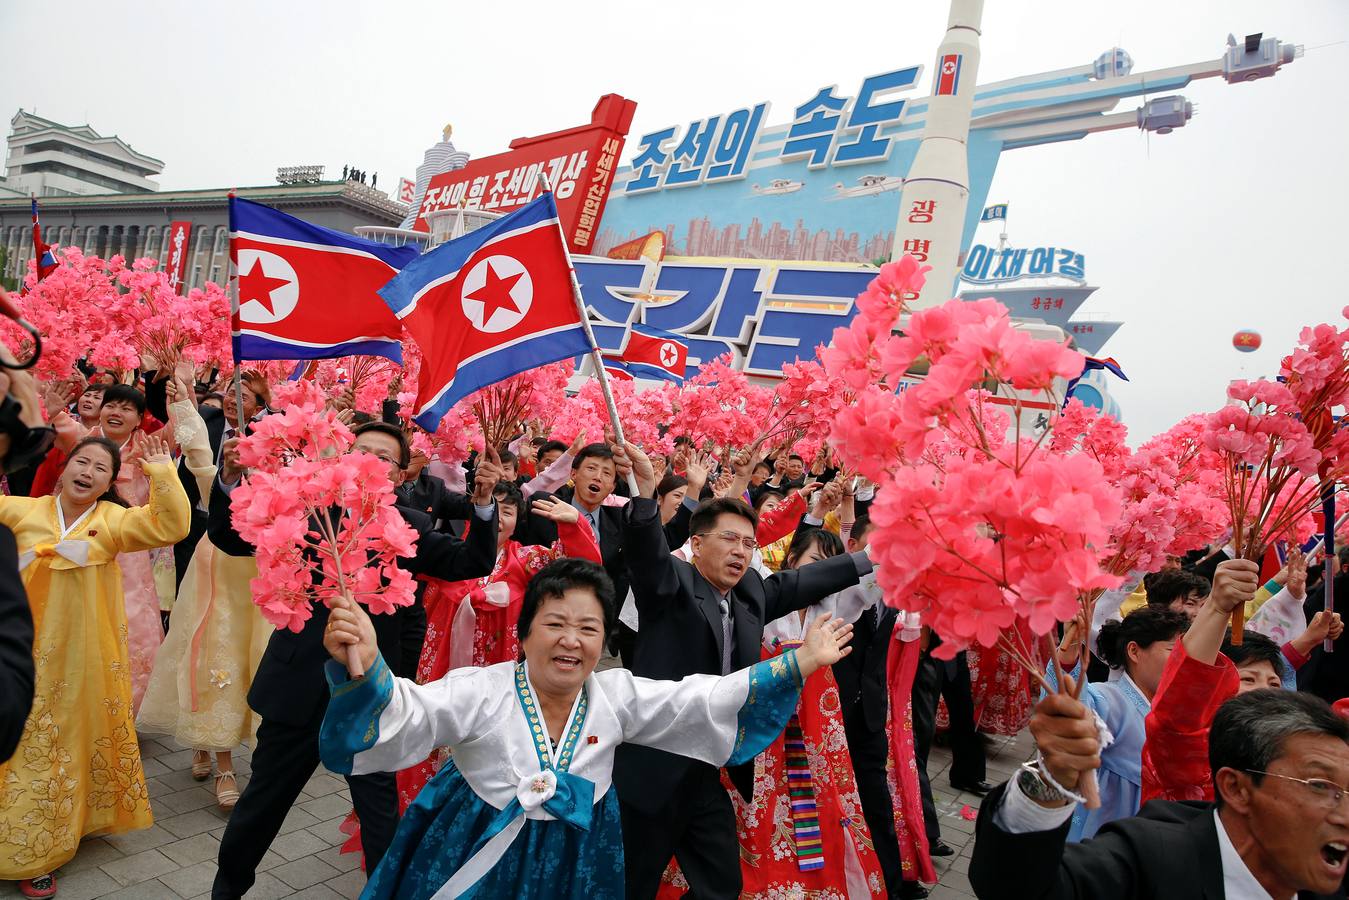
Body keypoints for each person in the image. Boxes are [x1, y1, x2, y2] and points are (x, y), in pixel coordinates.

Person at [318, 557, 856, 898]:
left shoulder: (615, 693)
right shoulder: (480, 688)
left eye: (587, 628)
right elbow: (414, 711)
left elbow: (697, 699)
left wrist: (799, 663)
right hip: (473, 841)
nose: (571, 640)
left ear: (603, 641)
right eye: (554, 624)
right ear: (524, 634)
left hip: (580, 856)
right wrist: (370, 671)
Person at [209, 422, 502, 899]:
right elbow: (228, 535)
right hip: (297, 686)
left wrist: (484, 506)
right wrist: (228, 477)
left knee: (379, 812)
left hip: (369, 694)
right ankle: (228, 888)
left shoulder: (408, 525)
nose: (368, 460)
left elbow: (469, 562)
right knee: (263, 803)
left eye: (382, 456)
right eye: (359, 449)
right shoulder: (304, 510)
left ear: (399, 472)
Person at [615, 442, 872, 900]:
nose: (740, 551)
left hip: (708, 771)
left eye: (748, 543)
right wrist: (645, 496)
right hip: (655, 767)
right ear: (696, 545)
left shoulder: (750, 590)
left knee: (722, 882)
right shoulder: (672, 585)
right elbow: (646, 557)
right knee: (634, 880)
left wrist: (873, 559)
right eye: (729, 539)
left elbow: (800, 581)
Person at [0, 434, 190, 898]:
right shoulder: (22, 511)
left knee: (60, 745)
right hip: (18, 655)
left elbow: (172, 526)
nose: (87, 472)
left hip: (82, 663)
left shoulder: (114, 521)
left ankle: (43, 848)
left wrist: (163, 472)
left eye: (100, 468)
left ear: (109, 481)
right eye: (80, 462)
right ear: (63, 468)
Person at [656, 526, 888, 898]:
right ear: (792, 561)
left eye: (830, 564)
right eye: (815, 561)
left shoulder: (835, 606)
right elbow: (736, 549)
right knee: (756, 805)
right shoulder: (759, 598)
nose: (823, 572)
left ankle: (813, 883)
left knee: (819, 803)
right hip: (763, 724)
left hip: (814, 726)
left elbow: (870, 574)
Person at [968, 687, 1349, 900]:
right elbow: (1018, 892)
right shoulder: (1150, 860)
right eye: (1322, 786)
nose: (1344, 814)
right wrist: (1053, 778)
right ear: (1236, 788)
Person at [136, 368, 263, 809]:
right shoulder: (220, 458)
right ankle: (220, 758)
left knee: (251, 661)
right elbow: (197, 454)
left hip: (262, 579)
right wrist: (180, 401)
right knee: (211, 655)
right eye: (232, 391)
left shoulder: (285, 469)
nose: (237, 399)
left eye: (247, 394)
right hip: (215, 573)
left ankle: (217, 741)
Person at [833, 514, 935, 898]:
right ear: (855, 547)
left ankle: (892, 884)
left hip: (872, 714)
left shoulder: (889, 594)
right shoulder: (834, 592)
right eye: (876, 548)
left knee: (877, 803)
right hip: (832, 713)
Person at [1047, 606, 1190, 840]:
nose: (1184, 663)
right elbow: (1068, 716)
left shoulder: (1177, 715)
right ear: (1134, 651)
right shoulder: (1111, 699)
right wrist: (1070, 647)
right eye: (1174, 651)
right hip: (1101, 840)